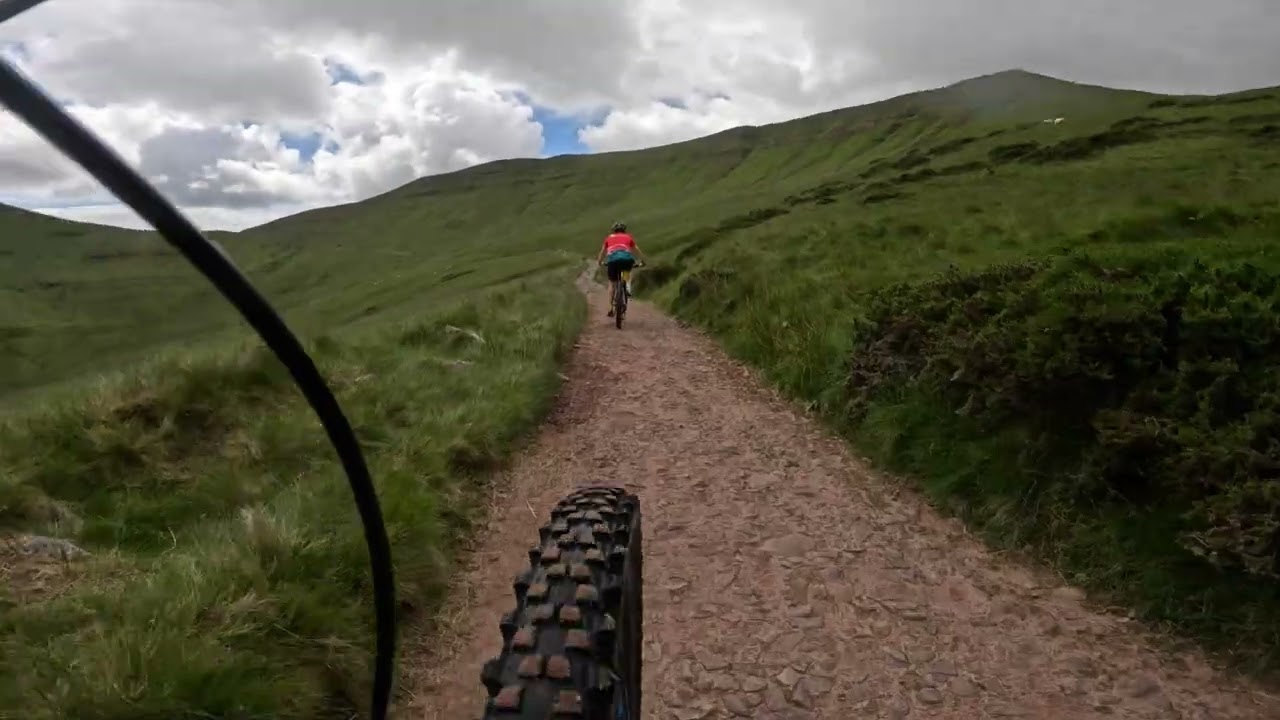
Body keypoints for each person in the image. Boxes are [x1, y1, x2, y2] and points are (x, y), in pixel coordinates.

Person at [596, 221, 646, 317]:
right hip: (626, 261)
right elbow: (637, 250)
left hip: (612, 261)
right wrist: (643, 261)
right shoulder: (628, 237)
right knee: (626, 274)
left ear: (614, 231)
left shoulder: (608, 238)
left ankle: (610, 307)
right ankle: (627, 288)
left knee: (612, 282)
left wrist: (599, 262)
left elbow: (602, 252)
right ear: (624, 230)